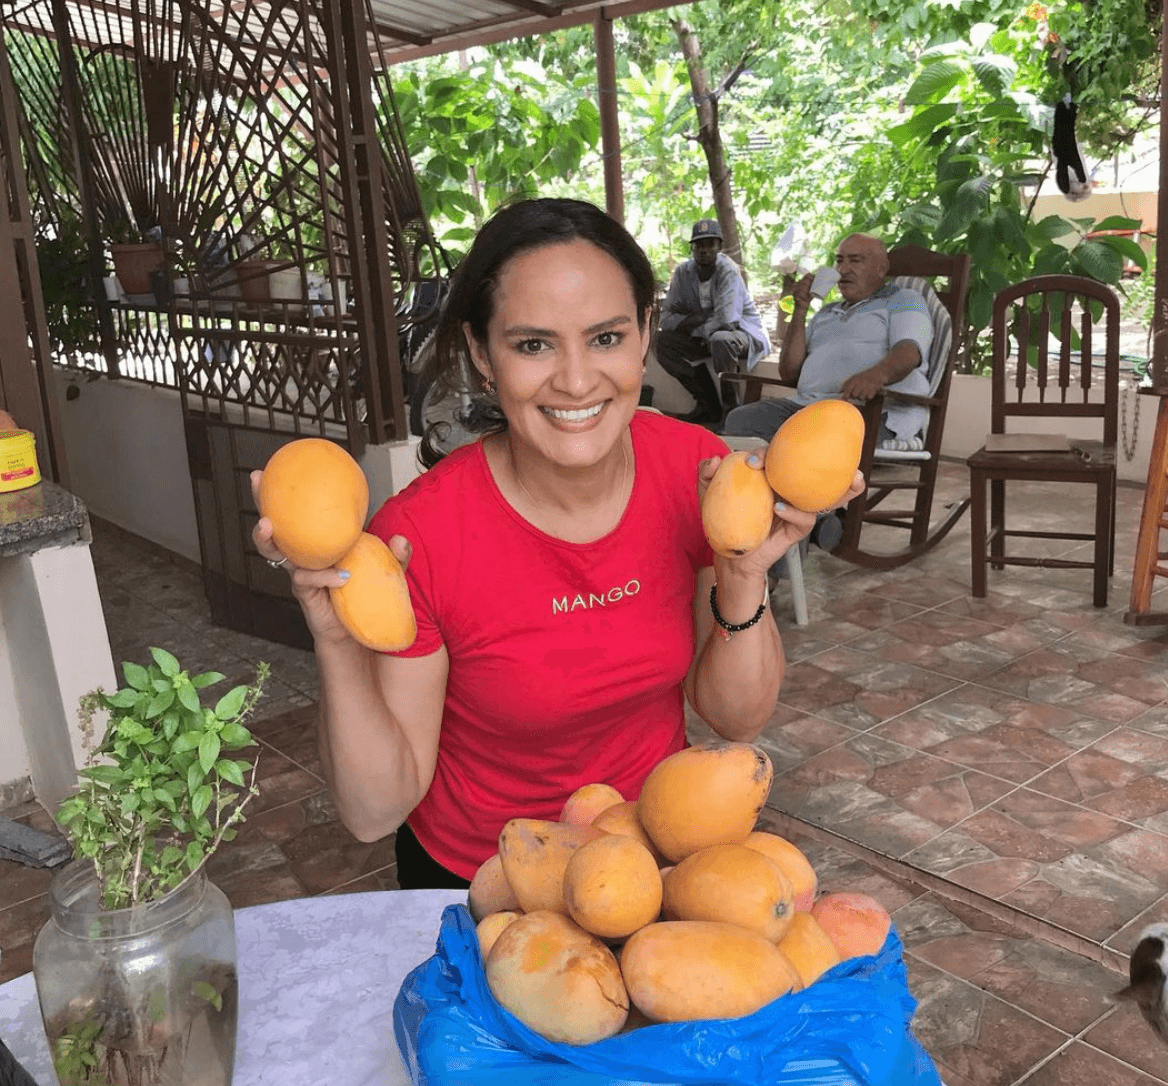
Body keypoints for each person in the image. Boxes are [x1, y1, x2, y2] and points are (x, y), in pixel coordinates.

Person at [252, 198, 863, 891]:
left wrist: (745, 573)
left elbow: (737, 716)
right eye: (533, 344)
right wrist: (335, 642)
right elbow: (373, 813)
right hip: (485, 882)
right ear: (483, 356)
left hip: (646, 858)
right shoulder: (419, 535)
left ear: (643, 335)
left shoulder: (692, 472)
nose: (576, 380)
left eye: (605, 338)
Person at [721, 233, 933, 449]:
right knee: (739, 420)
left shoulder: (904, 300)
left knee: (819, 440)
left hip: (867, 412)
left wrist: (874, 377)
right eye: (840, 260)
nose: (843, 269)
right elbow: (789, 372)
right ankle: (790, 458)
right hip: (808, 409)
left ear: (881, 268)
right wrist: (800, 309)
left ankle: (790, 458)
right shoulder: (826, 313)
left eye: (855, 260)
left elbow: (909, 351)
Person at [656, 219, 771, 428]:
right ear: (692, 248)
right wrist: (700, 318)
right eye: (699, 245)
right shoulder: (683, 273)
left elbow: (727, 321)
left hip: (743, 333)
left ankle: (730, 410)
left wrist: (692, 324)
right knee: (661, 341)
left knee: (721, 338)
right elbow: (666, 318)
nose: (704, 250)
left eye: (710, 244)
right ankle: (706, 404)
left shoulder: (728, 271)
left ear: (720, 246)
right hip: (706, 337)